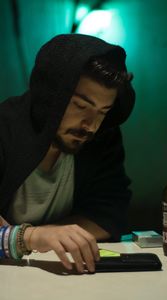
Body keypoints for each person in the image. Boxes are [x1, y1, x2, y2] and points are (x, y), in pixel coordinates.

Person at [0, 34, 135, 273]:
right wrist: (32, 237)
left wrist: (52, 235)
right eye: (81, 106)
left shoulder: (102, 138)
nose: (91, 125)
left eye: (102, 111)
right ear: (50, 97)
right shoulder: (4, 127)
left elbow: (110, 213)